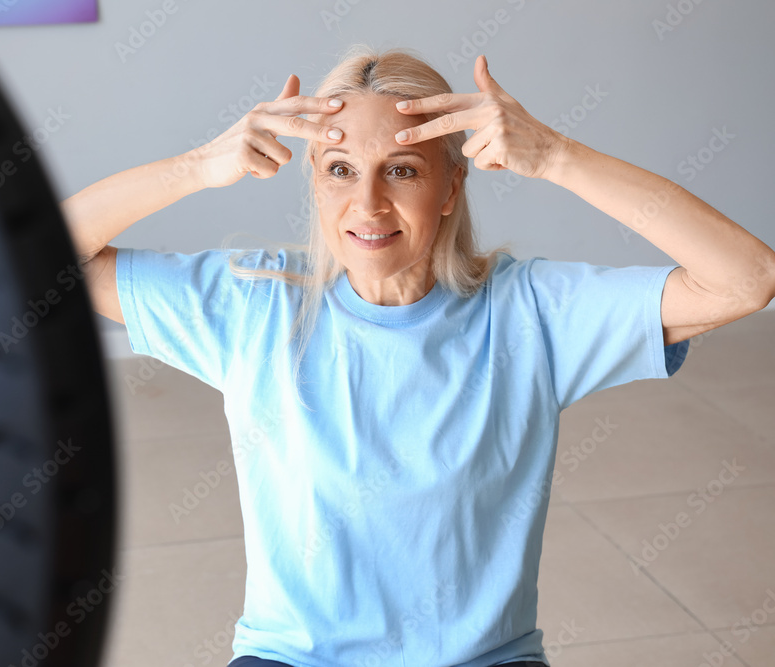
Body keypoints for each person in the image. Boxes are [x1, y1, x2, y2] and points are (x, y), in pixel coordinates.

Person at [61, 44, 775, 667]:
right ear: (312, 179)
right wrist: (198, 165)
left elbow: (747, 278)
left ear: (451, 186)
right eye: (339, 168)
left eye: (401, 170)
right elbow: (41, 256)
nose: (367, 204)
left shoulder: (529, 311)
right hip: (293, 657)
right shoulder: (252, 302)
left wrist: (555, 154)